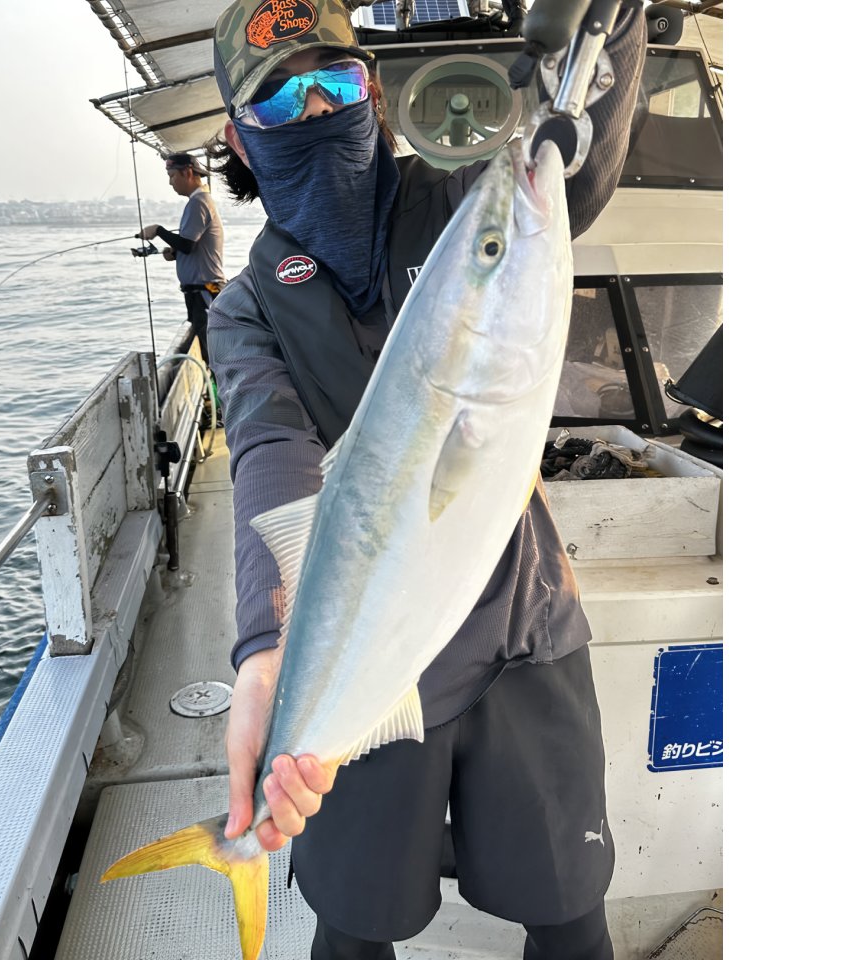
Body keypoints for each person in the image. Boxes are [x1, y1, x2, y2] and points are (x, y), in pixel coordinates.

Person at [205, 1, 646, 957]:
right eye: (281, 100)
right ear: (241, 138)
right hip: (371, 661)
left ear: (377, 94)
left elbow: (576, 178)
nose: (318, 108)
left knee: (571, 915)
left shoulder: (455, 210)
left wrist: (610, 42)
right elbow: (270, 460)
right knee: (355, 933)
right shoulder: (245, 313)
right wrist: (264, 652)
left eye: (339, 80)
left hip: (523, 633)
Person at [134, 152, 226, 365]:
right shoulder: (199, 202)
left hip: (206, 290)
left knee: (211, 351)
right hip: (199, 291)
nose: (170, 182)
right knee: (206, 348)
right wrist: (173, 252)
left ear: (187, 172)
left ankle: (221, 394)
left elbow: (187, 244)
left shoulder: (198, 202)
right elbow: (190, 245)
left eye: (172, 175)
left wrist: (158, 230)